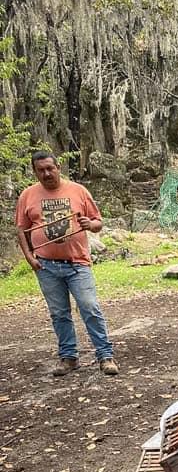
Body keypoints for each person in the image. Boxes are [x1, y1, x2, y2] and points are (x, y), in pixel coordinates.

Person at [15, 151, 118, 377]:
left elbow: (98, 222)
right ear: (35, 172)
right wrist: (29, 257)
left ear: (58, 167)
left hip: (77, 263)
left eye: (50, 168)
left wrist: (90, 224)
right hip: (46, 266)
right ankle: (69, 357)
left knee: (89, 307)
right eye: (41, 170)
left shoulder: (78, 190)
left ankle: (105, 356)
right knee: (59, 313)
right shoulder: (27, 195)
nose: (46, 173)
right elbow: (22, 229)